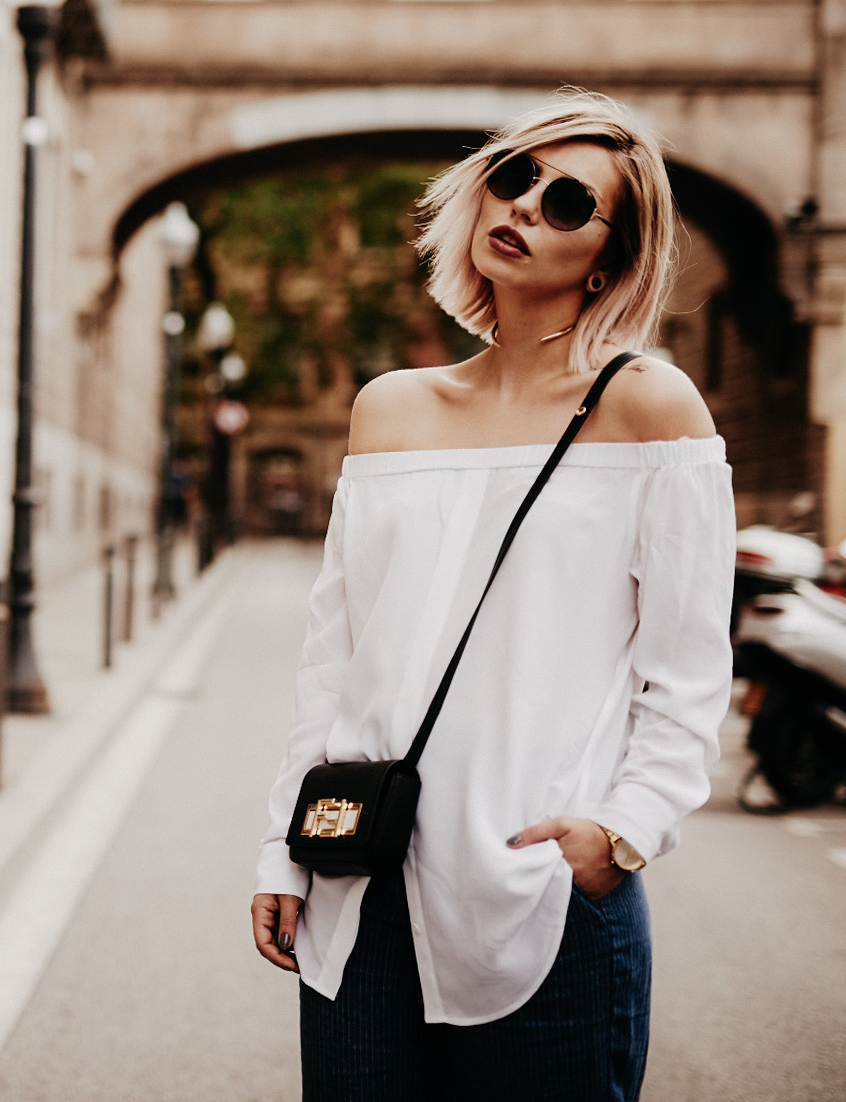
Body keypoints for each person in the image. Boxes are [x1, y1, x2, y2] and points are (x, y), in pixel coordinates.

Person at [249, 91, 734, 1100]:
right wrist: (282, 849)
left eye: (569, 202)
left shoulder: (648, 407)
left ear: (607, 260)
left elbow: (687, 669)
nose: (524, 208)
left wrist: (622, 831)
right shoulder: (389, 408)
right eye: (515, 178)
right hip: (357, 883)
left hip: (539, 895)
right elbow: (334, 661)